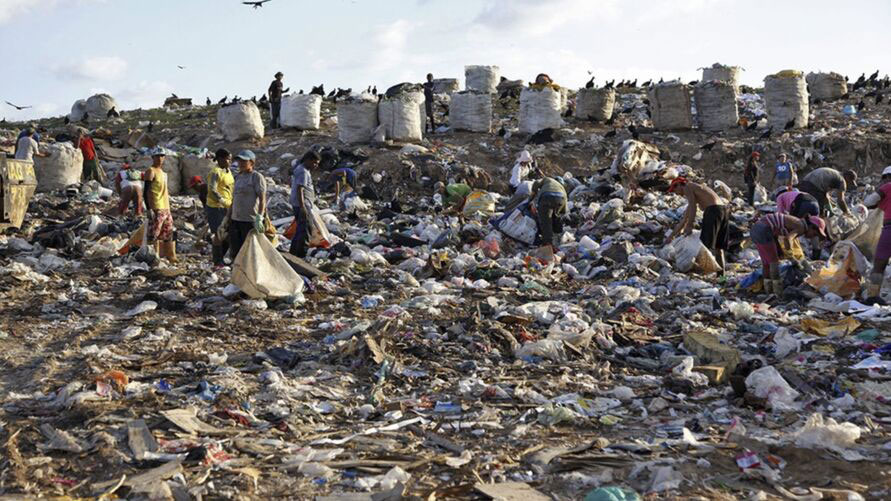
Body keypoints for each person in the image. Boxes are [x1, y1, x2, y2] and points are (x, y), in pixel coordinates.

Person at [749, 212, 827, 296]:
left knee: (766, 264)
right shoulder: (801, 227)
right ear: (811, 227)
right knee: (774, 263)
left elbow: (775, 232)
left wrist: (779, 249)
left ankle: (768, 291)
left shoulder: (797, 222)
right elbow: (788, 238)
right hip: (763, 230)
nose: (812, 236)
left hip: (756, 229)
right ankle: (777, 293)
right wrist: (791, 257)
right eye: (814, 234)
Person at [666, 177, 730, 273]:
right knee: (718, 247)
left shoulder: (687, 186)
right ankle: (721, 277)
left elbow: (693, 207)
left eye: (675, 190)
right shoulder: (697, 190)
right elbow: (684, 219)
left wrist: (690, 225)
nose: (677, 194)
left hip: (712, 211)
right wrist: (671, 236)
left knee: (704, 244)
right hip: (723, 211)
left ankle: (703, 271)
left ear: (679, 184)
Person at [228, 150, 266, 260]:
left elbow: (262, 199)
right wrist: (228, 217)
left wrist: (260, 217)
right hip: (236, 219)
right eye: (240, 161)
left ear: (252, 163)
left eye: (244, 161)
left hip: (249, 220)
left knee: (250, 250)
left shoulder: (256, 177)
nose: (241, 164)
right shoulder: (238, 177)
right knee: (236, 249)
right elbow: (234, 199)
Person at [863, 166, 891, 302]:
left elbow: (868, 202)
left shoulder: (887, 187)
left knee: (879, 265)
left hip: (890, 230)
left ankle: (873, 296)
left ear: (887, 177)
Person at [143, 147, 176, 262]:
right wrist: (148, 209)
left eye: (162, 156)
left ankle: (170, 256)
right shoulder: (150, 171)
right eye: (157, 156)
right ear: (153, 157)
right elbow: (145, 191)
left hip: (165, 207)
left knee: (168, 232)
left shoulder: (163, 173)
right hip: (156, 206)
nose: (160, 158)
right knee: (154, 234)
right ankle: (153, 256)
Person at [204, 149, 234, 267]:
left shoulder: (228, 171)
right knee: (218, 233)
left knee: (227, 233)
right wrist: (221, 200)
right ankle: (217, 260)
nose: (230, 161)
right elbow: (212, 190)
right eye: (228, 159)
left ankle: (223, 257)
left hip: (228, 206)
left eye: (230, 159)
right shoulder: (215, 172)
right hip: (216, 207)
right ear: (220, 159)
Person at [289, 150, 320, 258]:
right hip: (302, 205)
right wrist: (303, 207)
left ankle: (293, 253)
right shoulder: (303, 171)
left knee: (300, 229)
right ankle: (301, 255)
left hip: (300, 204)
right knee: (306, 230)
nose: (316, 165)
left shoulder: (301, 169)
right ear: (308, 160)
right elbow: (300, 189)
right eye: (315, 163)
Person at [528, 176, 567, 251]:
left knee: (545, 221)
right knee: (554, 218)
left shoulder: (548, 179)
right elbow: (564, 206)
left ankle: (548, 244)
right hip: (560, 199)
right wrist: (559, 213)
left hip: (547, 197)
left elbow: (536, 183)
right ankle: (557, 239)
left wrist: (533, 194)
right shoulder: (562, 188)